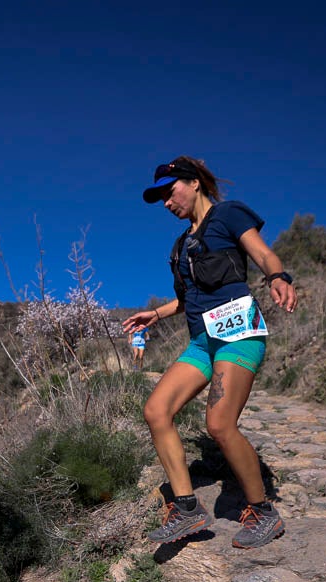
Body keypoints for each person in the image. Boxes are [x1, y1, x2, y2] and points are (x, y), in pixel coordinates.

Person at [122, 156, 298, 550]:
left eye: (171, 192)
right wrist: (156, 313)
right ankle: (186, 508)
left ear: (195, 182)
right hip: (202, 340)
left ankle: (264, 512)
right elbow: (186, 300)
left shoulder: (228, 216)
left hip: (237, 332)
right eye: (162, 198)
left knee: (218, 424)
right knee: (156, 411)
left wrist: (277, 276)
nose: (168, 203)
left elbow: (263, 254)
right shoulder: (181, 245)